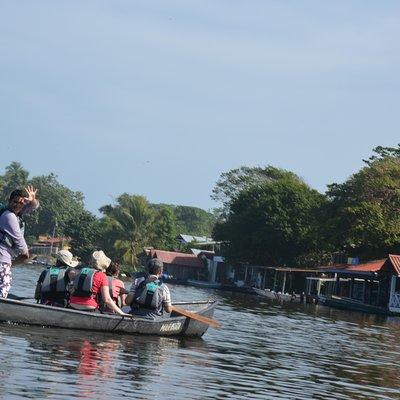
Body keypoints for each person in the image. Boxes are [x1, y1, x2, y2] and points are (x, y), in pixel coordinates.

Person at [0, 186, 39, 298]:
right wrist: (25, 254)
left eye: (21, 203)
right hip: (2, 260)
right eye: (15, 202)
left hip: (5, 259)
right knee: (3, 291)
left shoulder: (17, 212)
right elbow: (19, 241)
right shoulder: (9, 216)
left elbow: (34, 206)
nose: (17, 205)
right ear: (9, 201)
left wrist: (32, 199)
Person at [69, 250, 127, 316]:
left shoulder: (81, 271)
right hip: (89, 308)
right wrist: (121, 313)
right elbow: (107, 300)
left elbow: (72, 290)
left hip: (72, 305)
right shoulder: (102, 276)